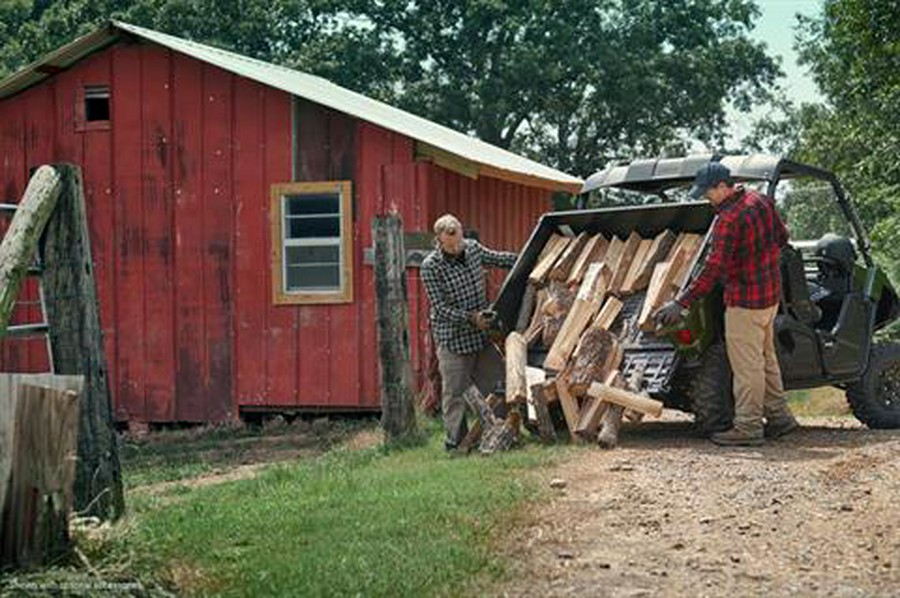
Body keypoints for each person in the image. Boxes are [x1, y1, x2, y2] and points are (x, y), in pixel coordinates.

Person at [654, 162, 799, 446]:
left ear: (723, 186)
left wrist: (680, 303)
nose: (706, 198)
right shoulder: (760, 201)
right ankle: (780, 418)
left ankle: (748, 427)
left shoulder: (728, 219)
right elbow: (783, 237)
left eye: (708, 192)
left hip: (744, 303)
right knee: (766, 360)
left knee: (747, 368)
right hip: (769, 298)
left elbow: (712, 270)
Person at [420, 214, 517, 452]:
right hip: (453, 339)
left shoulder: (472, 249)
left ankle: (503, 433)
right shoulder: (431, 266)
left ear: (462, 233)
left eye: (458, 241)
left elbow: (498, 258)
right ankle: (456, 443)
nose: (456, 248)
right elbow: (441, 309)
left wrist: (527, 257)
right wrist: (471, 318)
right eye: (450, 245)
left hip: (480, 336)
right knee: (455, 392)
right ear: (439, 241)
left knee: (498, 382)